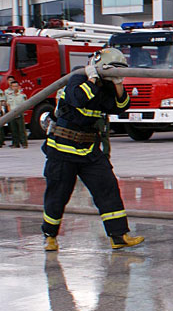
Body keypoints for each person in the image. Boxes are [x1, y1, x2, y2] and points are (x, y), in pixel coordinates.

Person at [41, 48, 144, 252]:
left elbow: (120, 107)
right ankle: (50, 236)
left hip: (89, 150)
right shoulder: (78, 78)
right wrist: (93, 79)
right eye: (113, 70)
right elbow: (79, 98)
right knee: (58, 194)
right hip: (63, 148)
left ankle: (118, 236)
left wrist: (118, 84)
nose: (115, 74)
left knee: (108, 188)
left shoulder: (106, 87)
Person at [1, 78, 29, 148]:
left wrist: (20, 112)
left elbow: (25, 105)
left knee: (21, 130)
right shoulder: (9, 95)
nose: (14, 88)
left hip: (19, 114)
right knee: (13, 130)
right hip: (12, 114)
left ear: (18, 87)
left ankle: (24, 143)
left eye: (16, 86)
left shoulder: (22, 95)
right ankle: (15, 143)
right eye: (13, 86)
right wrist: (10, 113)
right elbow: (8, 104)